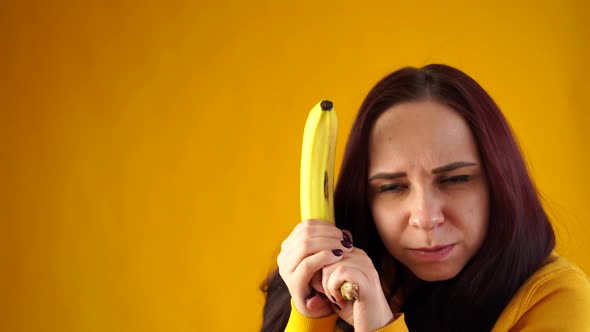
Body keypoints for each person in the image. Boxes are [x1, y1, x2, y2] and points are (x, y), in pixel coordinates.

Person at [260, 64, 590, 332]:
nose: (425, 217)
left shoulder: (557, 297)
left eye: (456, 179)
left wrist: (379, 326)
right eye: (391, 187)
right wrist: (313, 315)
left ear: (500, 184)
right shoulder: (350, 281)